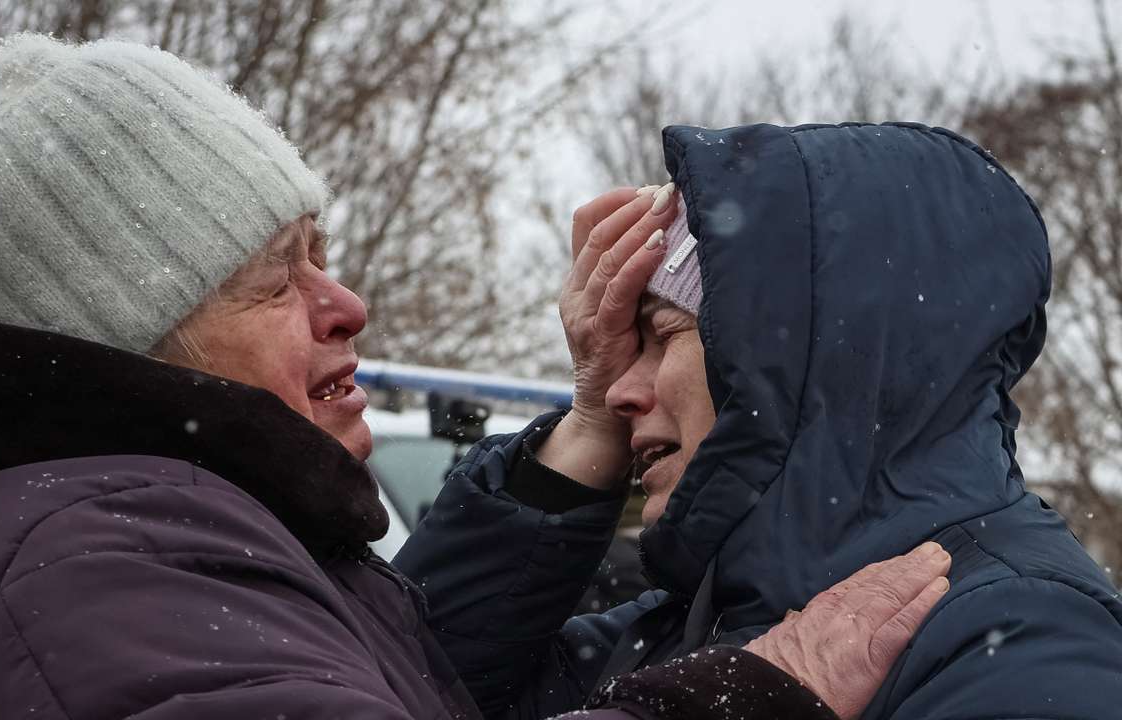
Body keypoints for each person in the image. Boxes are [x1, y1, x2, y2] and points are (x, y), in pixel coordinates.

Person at [0, 35, 948, 720]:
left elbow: (415, 681)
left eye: (320, 254)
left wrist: (586, 429)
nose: (345, 306)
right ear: (124, 342)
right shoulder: (85, 572)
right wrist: (753, 698)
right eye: (275, 279)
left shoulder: (149, 536)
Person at [396, 122, 1122, 719]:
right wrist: (587, 423)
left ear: (805, 356)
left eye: (662, 337)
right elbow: (403, 685)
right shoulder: (695, 625)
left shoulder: (1022, 641)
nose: (620, 390)